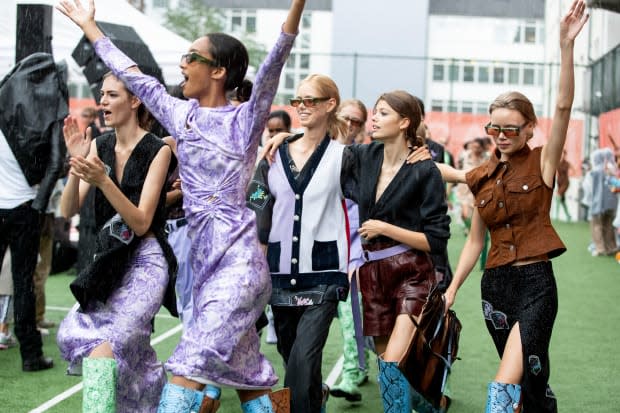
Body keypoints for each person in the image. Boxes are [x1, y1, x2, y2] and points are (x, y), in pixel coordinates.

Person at [56, 1, 306, 411]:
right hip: (205, 269)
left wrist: (297, 6)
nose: (183, 63)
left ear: (219, 71)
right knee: (252, 380)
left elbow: (276, 58)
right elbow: (136, 78)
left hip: (240, 266)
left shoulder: (244, 120)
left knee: (188, 364)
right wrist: (91, 28)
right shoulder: (181, 115)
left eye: (192, 57)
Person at [263, 88, 451, 412]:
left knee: (386, 362)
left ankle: (352, 382)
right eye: (372, 113)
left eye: (380, 114)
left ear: (405, 122)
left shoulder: (419, 168)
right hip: (352, 274)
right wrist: (287, 139)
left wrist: (385, 227)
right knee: (302, 359)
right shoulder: (359, 157)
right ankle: (424, 400)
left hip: (393, 272)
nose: (370, 121)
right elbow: (264, 189)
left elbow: (436, 237)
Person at [441, 3, 589, 411]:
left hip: (536, 284)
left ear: (528, 128)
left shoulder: (542, 161)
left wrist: (565, 47)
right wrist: (453, 289)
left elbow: (562, 107)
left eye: (511, 128)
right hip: (495, 288)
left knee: (504, 381)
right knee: (529, 380)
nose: (502, 135)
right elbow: (475, 242)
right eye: (495, 127)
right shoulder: (483, 176)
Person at [57, 71, 176, 412]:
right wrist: (76, 167)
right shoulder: (99, 145)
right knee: (125, 355)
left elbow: (140, 222)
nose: (102, 102)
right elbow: (67, 209)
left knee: (109, 347)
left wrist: (104, 180)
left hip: (146, 262)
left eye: (111, 95)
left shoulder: (158, 150)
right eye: (102, 95)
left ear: (135, 100)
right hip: (108, 261)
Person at [248, 74, 349, 413]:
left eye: (311, 101)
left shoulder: (343, 157)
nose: (302, 107)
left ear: (330, 104)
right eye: (298, 101)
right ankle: (314, 399)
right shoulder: (275, 154)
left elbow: (383, 175)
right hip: (278, 270)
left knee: (300, 364)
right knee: (292, 356)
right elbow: (258, 196)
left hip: (323, 273)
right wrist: (260, 239)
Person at [0, 51, 67, 372]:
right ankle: (31, 354)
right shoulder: (49, 111)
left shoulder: (1, 100)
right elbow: (56, 162)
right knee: (23, 281)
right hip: (25, 207)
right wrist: (39, 206)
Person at [330, 98, 371, 403]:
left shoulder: (366, 157)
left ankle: (352, 373)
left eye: (357, 121)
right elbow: (260, 188)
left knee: (350, 311)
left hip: (353, 245)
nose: (350, 125)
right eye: (346, 118)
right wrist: (257, 215)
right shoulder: (301, 147)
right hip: (302, 251)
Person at [581, 148, 618, 256]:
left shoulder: (594, 172)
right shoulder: (611, 170)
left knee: (597, 226)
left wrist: (588, 201)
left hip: (597, 203)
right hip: (611, 204)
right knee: (609, 225)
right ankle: (611, 247)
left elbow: (588, 188)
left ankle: (600, 248)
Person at [555, 150, 573, 221]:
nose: (562, 156)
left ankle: (556, 215)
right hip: (559, 183)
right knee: (562, 200)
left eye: (563, 154)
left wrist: (570, 176)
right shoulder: (557, 163)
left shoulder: (567, 164)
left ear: (565, 155)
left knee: (558, 195)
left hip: (565, 183)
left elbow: (573, 170)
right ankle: (568, 215)